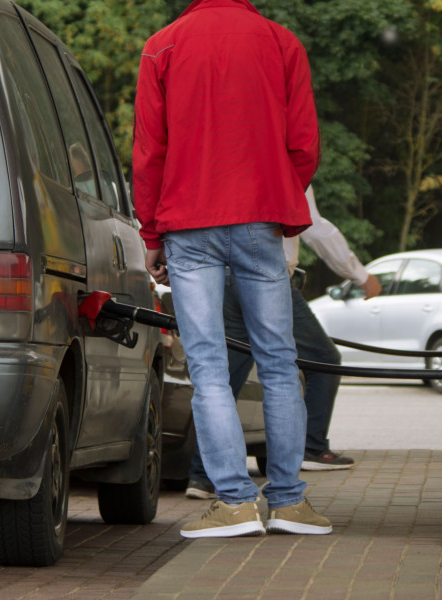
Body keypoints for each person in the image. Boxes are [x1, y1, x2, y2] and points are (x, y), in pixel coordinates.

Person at [134, 0, 328, 538]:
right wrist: (278, 196)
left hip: (188, 221)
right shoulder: (282, 42)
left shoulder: (162, 46)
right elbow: (304, 144)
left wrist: (151, 234)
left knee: (208, 368)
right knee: (280, 363)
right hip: (260, 217)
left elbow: (150, 150)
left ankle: (235, 504)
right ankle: (289, 503)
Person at [186, 186, 383, 500]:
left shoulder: (221, 163)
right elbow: (313, 225)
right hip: (267, 274)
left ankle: (202, 477)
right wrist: (359, 274)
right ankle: (310, 447)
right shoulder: (283, 164)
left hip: (223, 275)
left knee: (221, 380)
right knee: (319, 361)